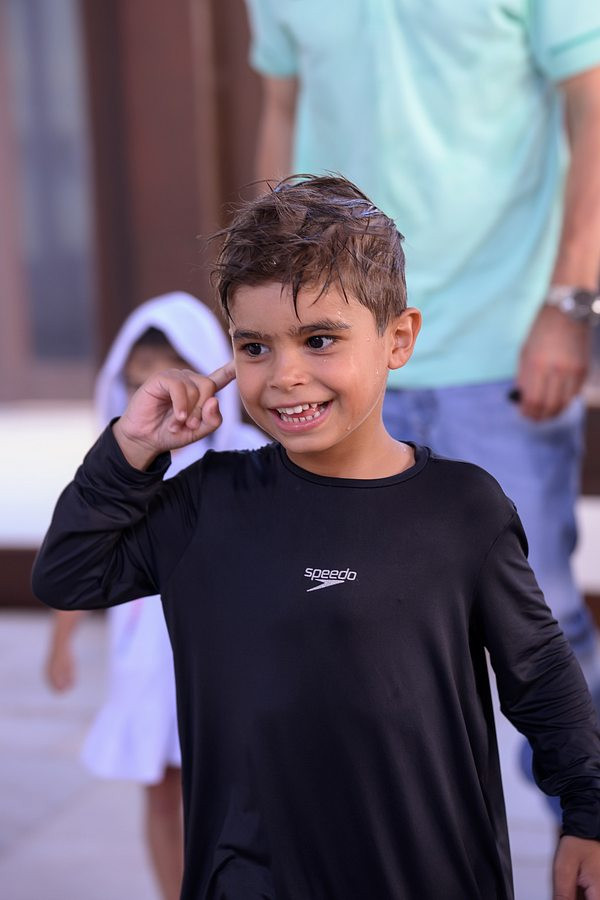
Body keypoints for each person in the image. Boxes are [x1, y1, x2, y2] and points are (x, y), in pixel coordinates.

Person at [32, 176, 600, 899]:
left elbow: (542, 678)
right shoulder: (207, 504)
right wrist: (130, 450)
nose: (285, 376)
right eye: (255, 347)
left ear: (398, 338)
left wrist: (588, 816)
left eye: (320, 339)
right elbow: (69, 574)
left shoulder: (464, 509)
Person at [245, 1, 600, 797]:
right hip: (333, 352)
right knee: (342, 631)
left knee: (541, 636)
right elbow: (281, 109)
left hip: (499, 342)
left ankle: (588, 823)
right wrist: (267, 326)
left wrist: (571, 302)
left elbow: (593, 103)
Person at [43, 291, 265, 900]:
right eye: (140, 378)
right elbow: (82, 557)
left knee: (221, 790)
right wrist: (61, 643)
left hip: (222, 658)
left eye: (172, 373)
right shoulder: (122, 471)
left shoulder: (248, 462)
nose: (159, 392)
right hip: (145, 655)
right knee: (161, 787)